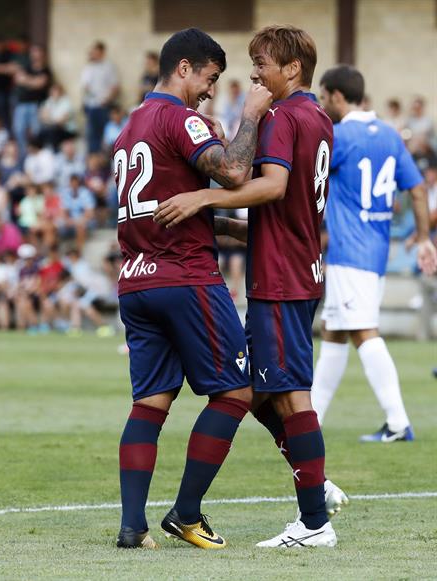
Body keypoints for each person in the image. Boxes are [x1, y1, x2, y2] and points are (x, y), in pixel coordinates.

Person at [154, 25, 344, 548]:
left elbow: (274, 186)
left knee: (289, 396)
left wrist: (203, 201)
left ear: (292, 70)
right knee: (254, 394)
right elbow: (288, 211)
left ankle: (313, 523)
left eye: (262, 62)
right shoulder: (319, 118)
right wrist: (225, 226)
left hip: (281, 279)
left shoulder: (281, 116)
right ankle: (313, 479)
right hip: (296, 266)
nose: (254, 73)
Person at [113, 28, 274, 550]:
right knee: (236, 391)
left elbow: (170, 211)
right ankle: (185, 513)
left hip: (137, 284)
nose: (210, 90)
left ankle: (132, 527)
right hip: (185, 279)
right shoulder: (179, 118)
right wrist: (248, 117)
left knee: (151, 404)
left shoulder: (129, 127)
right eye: (209, 78)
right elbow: (231, 171)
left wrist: (249, 235)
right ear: (184, 67)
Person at [312, 65, 437, 440]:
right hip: (375, 250)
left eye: (322, 96)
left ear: (336, 96)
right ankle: (310, 424)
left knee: (364, 332)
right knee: (334, 333)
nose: (321, 102)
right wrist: (423, 236)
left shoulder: (337, 136)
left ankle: (398, 422)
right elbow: (416, 190)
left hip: (350, 252)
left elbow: (309, 181)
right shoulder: (388, 134)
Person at [80, 41, 119, 154]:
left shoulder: (108, 67)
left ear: (102, 52)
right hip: (91, 106)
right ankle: (93, 162)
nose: (92, 54)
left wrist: (106, 100)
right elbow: (85, 86)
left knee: (105, 136)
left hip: (104, 106)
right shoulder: (88, 67)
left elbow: (115, 87)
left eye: (95, 51)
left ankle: (105, 163)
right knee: (92, 136)